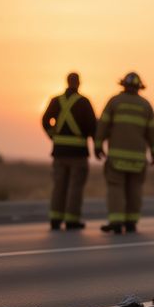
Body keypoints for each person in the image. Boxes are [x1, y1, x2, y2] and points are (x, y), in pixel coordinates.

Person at [94, 72, 154, 234]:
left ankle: (116, 221)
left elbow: (102, 125)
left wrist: (98, 145)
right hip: (137, 159)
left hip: (117, 158)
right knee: (135, 189)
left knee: (116, 188)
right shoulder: (146, 106)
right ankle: (131, 222)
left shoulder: (114, 102)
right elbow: (152, 132)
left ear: (123, 85)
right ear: (139, 87)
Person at [41, 72, 97, 230]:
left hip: (59, 153)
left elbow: (45, 120)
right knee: (75, 187)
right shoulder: (84, 102)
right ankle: (72, 220)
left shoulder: (56, 101)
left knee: (59, 186)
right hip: (78, 154)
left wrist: (54, 136)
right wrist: (98, 146)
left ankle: (55, 218)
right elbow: (93, 127)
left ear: (67, 82)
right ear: (78, 83)